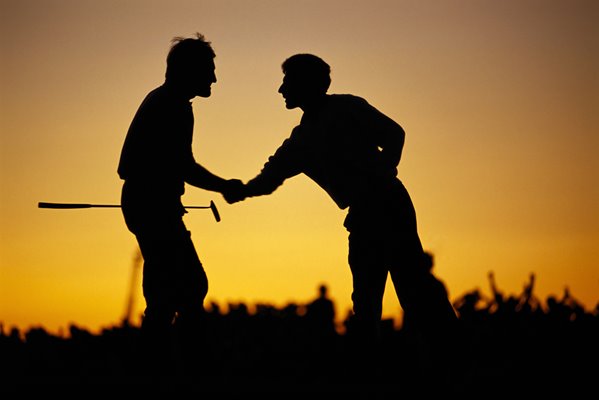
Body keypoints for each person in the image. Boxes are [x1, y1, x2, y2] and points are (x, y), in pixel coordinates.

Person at [225, 53, 459, 381]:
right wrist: (241, 190)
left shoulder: (346, 108)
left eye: (287, 82)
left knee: (413, 290)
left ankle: (452, 363)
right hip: (363, 215)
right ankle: (371, 374)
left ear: (307, 85)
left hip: (388, 205)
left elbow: (394, 134)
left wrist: (383, 172)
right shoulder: (301, 140)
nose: (281, 90)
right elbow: (270, 177)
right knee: (366, 302)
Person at [117, 33, 241, 379]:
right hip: (153, 209)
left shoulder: (168, 103)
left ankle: (155, 369)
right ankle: (188, 369)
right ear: (191, 70)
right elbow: (172, 165)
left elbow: (153, 164)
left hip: (153, 207)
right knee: (190, 287)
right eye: (209, 70)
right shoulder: (169, 105)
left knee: (164, 296)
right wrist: (222, 186)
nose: (214, 78)